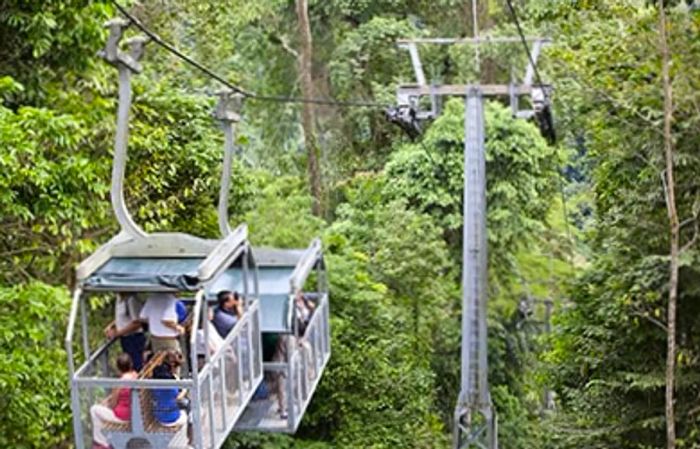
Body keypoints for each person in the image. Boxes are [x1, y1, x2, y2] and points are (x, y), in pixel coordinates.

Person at [89, 353, 137, 449]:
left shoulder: (119, 384)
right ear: (131, 364)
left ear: (118, 368)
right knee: (101, 409)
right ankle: (105, 440)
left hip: (122, 417)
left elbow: (113, 404)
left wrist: (105, 404)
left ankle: (102, 443)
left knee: (94, 409)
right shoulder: (136, 376)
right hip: (135, 414)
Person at [152, 350, 188, 446]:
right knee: (191, 410)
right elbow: (178, 397)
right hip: (168, 418)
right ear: (173, 365)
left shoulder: (157, 373)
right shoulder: (169, 382)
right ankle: (188, 442)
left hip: (158, 412)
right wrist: (185, 390)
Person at [105, 293, 146, 370]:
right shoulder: (118, 298)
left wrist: (117, 333)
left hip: (134, 338)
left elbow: (137, 322)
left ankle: (138, 380)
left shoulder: (131, 299)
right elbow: (121, 317)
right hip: (125, 338)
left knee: (136, 365)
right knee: (128, 365)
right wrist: (111, 326)